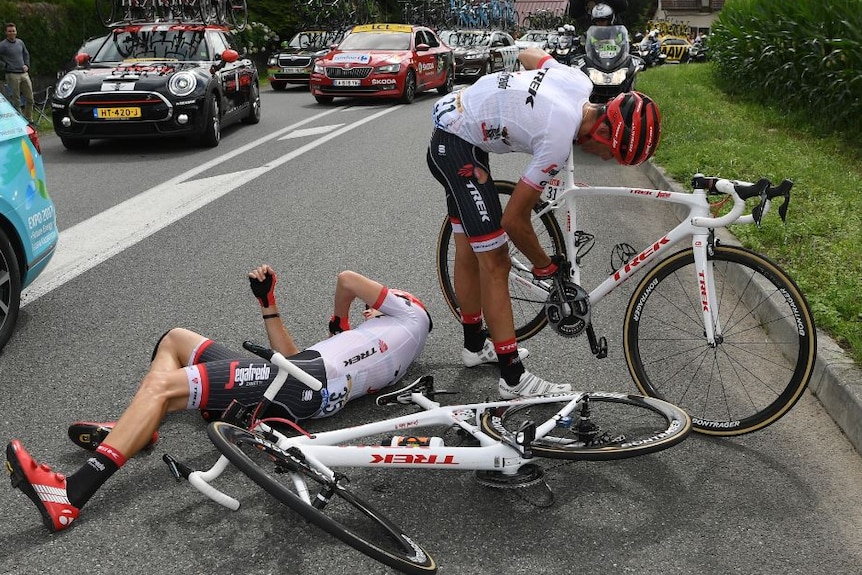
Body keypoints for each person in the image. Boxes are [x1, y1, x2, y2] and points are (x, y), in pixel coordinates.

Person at [6, 265, 433, 532]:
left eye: (371, 311)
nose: (365, 313)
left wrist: (339, 319)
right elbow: (292, 360)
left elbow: (348, 280)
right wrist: (269, 304)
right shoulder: (374, 343)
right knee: (175, 340)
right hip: (302, 380)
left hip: (305, 385)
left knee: (163, 388)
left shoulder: (412, 315)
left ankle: (71, 493)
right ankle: (135, 430)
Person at [427, 46, 661, 399]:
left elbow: (530, 54)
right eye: (612, 155)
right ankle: (513, 379)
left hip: (459, 124)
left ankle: (475, 347)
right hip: (457, 143)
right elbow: (515, 220)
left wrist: (512, 97)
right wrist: (546, 266)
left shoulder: (577, 81)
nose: (606, 160)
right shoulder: (556, 137)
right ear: (601, 133)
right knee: (495, 262)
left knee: (467, 246)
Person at [0, 22, 34, 121]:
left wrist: (27, 65)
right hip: (12, 74)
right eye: (9, 31)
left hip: (24, 74)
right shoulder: (3, 45)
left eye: (13, 31)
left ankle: (29, 119)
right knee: (16, 100)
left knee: (30, 98)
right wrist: (4, 65)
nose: (12, 33)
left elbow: (26, 54)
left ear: (16, 32)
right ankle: (20, 121)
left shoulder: (20, 42)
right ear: (6, 33)